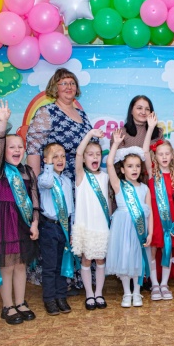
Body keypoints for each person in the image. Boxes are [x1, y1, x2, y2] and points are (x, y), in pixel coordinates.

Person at [26, 68, 94, 291]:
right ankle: (57, 283)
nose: (68, 87)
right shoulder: (47, 112)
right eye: (63, 83)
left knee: (76, 228)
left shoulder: (81, 114)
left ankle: (77, 278)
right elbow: (34, 149)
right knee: (56, 233)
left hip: (79, 181)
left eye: (72, 83)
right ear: (54, 87)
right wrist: (36, 185)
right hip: (55, 184)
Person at [0, 100, 39, 325]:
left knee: (21, 265)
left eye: (20, 146)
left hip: (22, 222)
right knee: (7, 266)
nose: (17, 150)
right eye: (12, 147)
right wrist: (3, 123)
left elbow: (35, 199)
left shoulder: (28, 171)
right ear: (3, 152)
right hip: (5, 222)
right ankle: (7, 306)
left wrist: (35, 222)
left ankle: (20, 302)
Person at [105, 129, 153, 308]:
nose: (134, 169)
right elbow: (109, 164)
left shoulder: (145, 189)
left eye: (137, 166)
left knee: (137, 259)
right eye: (130, 166)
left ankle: (137, 292)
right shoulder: (119, 185)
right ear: (123, 169)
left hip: (139, 229)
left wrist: (150, 233)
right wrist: (116, 144)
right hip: (123, 227)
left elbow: (150, 213)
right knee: (125, 259)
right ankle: (127, 293)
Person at [143, 113, 174, 301]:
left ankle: (165, 284)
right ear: (155, 156)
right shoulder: (152, 173)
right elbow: (144, 151)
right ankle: (155, 284)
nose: (164, 157)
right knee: (153, 250)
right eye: (161, 154)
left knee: (168, 250)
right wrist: (150, 128)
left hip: (170, 220)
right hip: (155, 220)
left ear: (172, 155)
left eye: (167, 154)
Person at [72, 129, 110, 311]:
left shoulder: (105, 177)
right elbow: (78, 153)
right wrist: (89, 135)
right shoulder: (81, 176)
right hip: (86, 226)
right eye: (90, 154)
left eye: (98, 154)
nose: (94, 157)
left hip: (102, 227)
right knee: (87, 260)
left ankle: (99, 293)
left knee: (101, 260)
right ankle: (89, 294)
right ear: (84, 158)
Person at [37, 142, 74, 316]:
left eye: (62, 156)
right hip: (49, 227)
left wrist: (71, 230)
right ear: (45, 160)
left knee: (61, 263)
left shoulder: (66, 180)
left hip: (64, 227)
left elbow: (71, 207)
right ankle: (49, 298)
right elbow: (48, 182)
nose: (60, 160)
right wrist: (49, 166)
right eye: (54, 156)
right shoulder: (44, 178)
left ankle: (61, 296)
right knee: (50, 266)